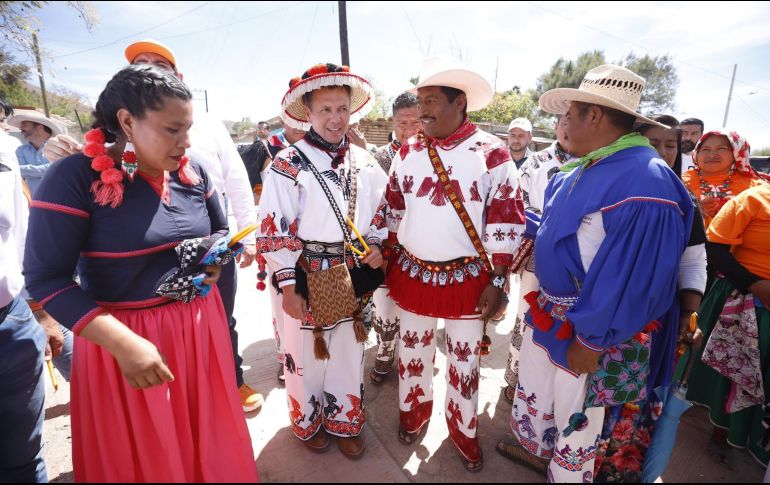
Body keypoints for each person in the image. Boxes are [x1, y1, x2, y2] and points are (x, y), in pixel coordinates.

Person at [23, 65, 259, 482]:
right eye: (173, 129)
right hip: (123, 344)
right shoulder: (75, 177)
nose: (186, 142)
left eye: (188, 128)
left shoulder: (193, 171)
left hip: (199, 331)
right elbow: (46, 277)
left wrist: (211, 258)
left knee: (206, 442)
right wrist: (124, 344)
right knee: (151, 454)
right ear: (127, 122)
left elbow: (221, 228)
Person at [495, 64, 693, 482]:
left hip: (590, 334)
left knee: (579, 430)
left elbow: (633, 277)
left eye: (572, 113)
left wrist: (590, 339)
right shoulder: (593, 166)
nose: (564, 122)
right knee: (554, 419)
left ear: (595, 116)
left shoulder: (645, 179)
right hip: (557, 318)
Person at [384, 58, 524, 472]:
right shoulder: (407, 150)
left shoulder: (491, 152)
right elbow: (393, 207)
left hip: (470, 278)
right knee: (412, 352)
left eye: (431, 101)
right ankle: (414, 414)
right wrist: (384, 253)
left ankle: (463, 430)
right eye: (420, 100)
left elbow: (507, 217)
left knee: (465, 358)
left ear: (459, 103)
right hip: (412, 274)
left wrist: (499, 279)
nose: (422, 110)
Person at [257, 62, 387, 458]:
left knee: (348, 351)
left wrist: (377, 242)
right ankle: (308, 421)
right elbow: (273, 227)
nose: (335, 118)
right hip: (305, 272)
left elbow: (381, 212)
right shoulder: (288, 164)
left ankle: (345, 420)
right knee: (307, 356)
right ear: (308, 113)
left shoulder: (365, 162)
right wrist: (288, 286)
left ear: (352, 111)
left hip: (350, 273)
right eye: (326, 109)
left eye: (342, 109)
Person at [593, 114, 708, 482]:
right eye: (652, 143)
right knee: (595, 392)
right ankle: (575, 463)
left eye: (670, 145)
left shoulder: (685, 201)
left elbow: (693, 263)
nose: (661, 151)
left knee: (638, 395)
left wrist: (690, 315)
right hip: (608, 314)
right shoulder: (616, 187)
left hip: (658, 319)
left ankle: (617, 470)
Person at [684, 181, 770, 470]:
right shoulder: (754, 199)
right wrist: (755, 284)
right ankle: (721, 432)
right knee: (731, 375)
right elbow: (717, 249)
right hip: (745, 299)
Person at [0, 97, 63, 483]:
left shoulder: (8, 157)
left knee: (23, 460)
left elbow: (24, 239)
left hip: (12, 323)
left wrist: (41, 311)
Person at [501, 114, 575, 403]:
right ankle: (515, 378)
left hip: (577, 265)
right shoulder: (537, 163)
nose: (569, 128)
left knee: (567, 324)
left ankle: (552, 387)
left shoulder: (596, 163)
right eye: (564, 121)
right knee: (526, 316)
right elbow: (520, 206)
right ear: (556, 125)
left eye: (575, 119)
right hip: (538, 256)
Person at [369, 91, 421, 385]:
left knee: (415, 306)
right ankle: (385, 351)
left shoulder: (430, 156)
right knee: (384, 302)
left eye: (416, 122)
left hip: (419, 247)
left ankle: (413, 355)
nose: (409, 130)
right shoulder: (379, 157)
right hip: (387, 245)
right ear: (393, 121)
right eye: (403, 122)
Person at [682, 129, 768, 229]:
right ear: (696, 153)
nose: (712, 155)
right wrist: (696, 211)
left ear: (737, 152)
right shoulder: (680, 182)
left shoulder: (756, 187)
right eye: (705, 149)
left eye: (721, 149)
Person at [8, 110, 62, 197]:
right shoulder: (20, 150)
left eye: (24, 124)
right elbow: (18, 173)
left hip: (58, 201)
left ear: (39, 127)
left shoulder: (59, 147)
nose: (20, 128)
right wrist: (46, 168)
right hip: (33, 203)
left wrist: (20, 169)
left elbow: (55, 169)